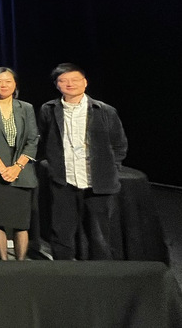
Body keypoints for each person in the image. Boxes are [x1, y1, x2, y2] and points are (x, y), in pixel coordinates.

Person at [38, 63, 128, 260]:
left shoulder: (104, 110)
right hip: (64, 181)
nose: (70, 84)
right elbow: (43, 140)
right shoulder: (49, 109)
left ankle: (100, 273)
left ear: (85, 82)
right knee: (61, 233)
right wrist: (52, 167)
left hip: (99, 184)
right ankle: (64, 272)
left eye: (75, 80)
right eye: (63, 80)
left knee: (100, 235)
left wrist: (111, 169)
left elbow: (119, 144)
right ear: (57, 84)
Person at [0, 67, 39, 261]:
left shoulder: (26, 107)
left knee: (22, 221)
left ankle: (21, 263)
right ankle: (3, 261)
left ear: (15, 84)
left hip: (22, 170)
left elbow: (32, 139)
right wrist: (2, 167)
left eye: (8, 81)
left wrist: (17, 167)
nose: (3, 85)